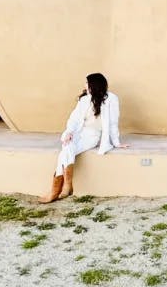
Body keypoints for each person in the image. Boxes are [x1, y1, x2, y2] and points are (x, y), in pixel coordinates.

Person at [40, 72, 127, 203]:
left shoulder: (111, 99)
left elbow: (113, 122)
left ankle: (55, 190)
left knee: (65, 151)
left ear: (94, 84)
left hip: (93, 135)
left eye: (87, 82)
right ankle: (67, 185)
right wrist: (69, 131)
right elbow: (74, 118)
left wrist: (116, 142)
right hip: (79, 132)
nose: (84, 85)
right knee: (67, 146)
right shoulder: (85, 99)